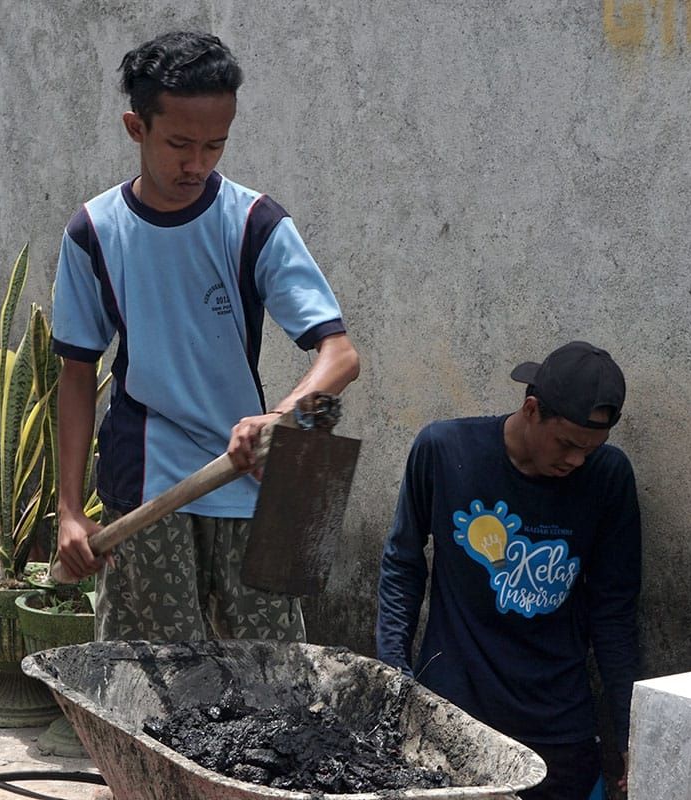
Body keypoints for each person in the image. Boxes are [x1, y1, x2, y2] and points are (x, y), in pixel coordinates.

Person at [51, 31, 360, 643]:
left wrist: (283, 417)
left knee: (275, 680)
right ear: (135, 127)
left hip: (251, 476)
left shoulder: (253, 223)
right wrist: (67, 509)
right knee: (151, 679)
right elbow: (77, 372)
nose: (197, 163)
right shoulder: (95, 232)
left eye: (215, 145)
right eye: (180, 144)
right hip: (145, 481)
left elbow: (340, 353)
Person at [376, 341, 641, 800]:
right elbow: (403, 562)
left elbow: (614, 613)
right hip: (452, 718)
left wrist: (629, 735)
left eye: (591, 449)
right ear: (532, 409)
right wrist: (392, 678)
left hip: (560, 727)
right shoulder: (443, 451)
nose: (577, 460)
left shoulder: (608, 476)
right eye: (568, 444)